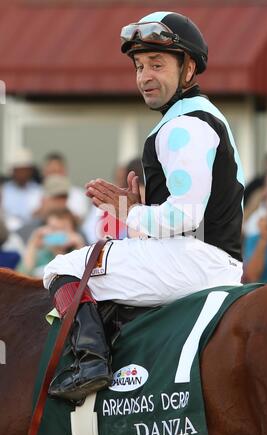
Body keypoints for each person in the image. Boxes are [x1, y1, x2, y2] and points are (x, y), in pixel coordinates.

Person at [43, 11, 244, 402]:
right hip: (200, 256)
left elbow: (186, 216)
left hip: (197, 263)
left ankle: (89, 363)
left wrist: (129, 211)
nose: (144, 77)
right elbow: (187, 218)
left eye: (157, 65)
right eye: (138, 67)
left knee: (61, 267)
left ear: (188, 68)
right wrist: (141, 209)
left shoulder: (183, 125)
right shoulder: (193, 118)